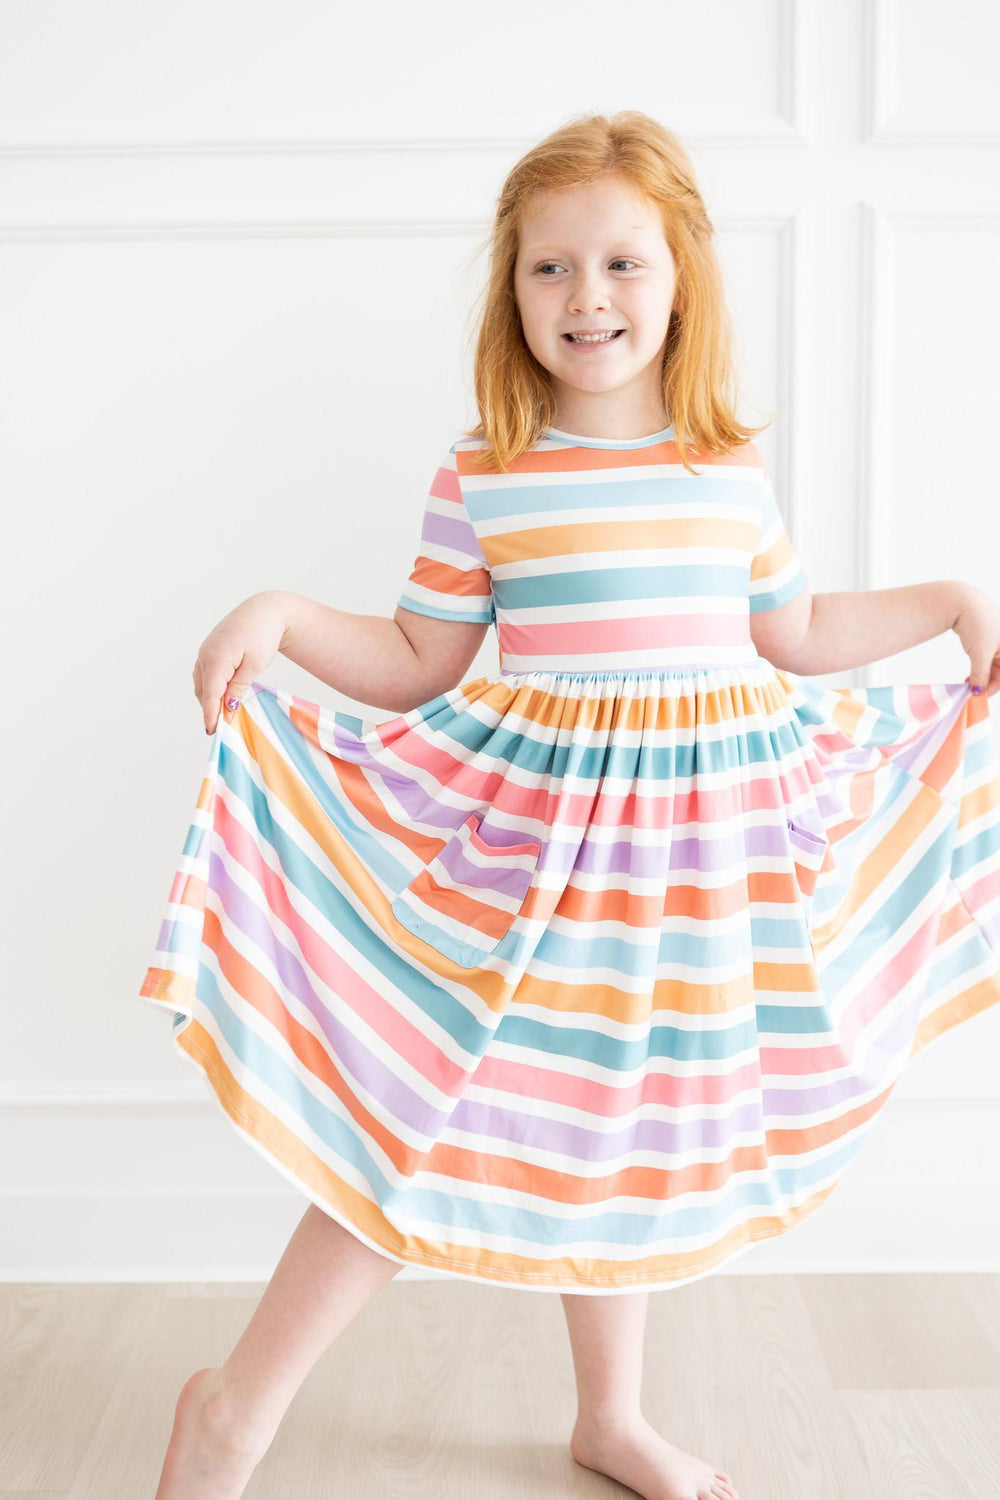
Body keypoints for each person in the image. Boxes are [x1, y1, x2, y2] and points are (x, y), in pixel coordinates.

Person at [142, 110, 1000, 1500]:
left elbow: (797, 632)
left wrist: (951, 599)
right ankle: (235, 1405)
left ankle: (612, 1417)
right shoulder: (488, 471)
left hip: (698, 871)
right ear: (513, 290)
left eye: (620, 263)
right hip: (541, 874)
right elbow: (418, 659)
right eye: (550, 268)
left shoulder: (727, 469)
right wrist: (285, 615)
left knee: (628, 1124)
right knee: (424, 1118)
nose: (586, 296)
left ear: (681, 280)